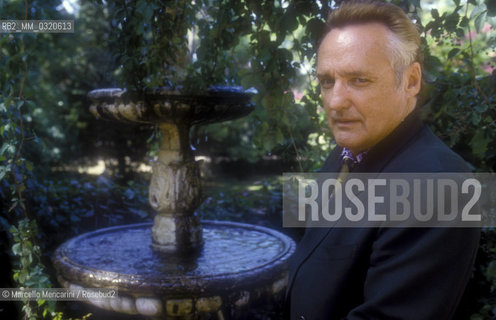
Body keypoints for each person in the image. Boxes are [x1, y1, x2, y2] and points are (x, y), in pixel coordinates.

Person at [285, 1, 481, 319]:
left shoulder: (441, 185)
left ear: (411, 81)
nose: (335, 101)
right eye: (326, 81)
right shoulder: (347, 152)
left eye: (359, 80)